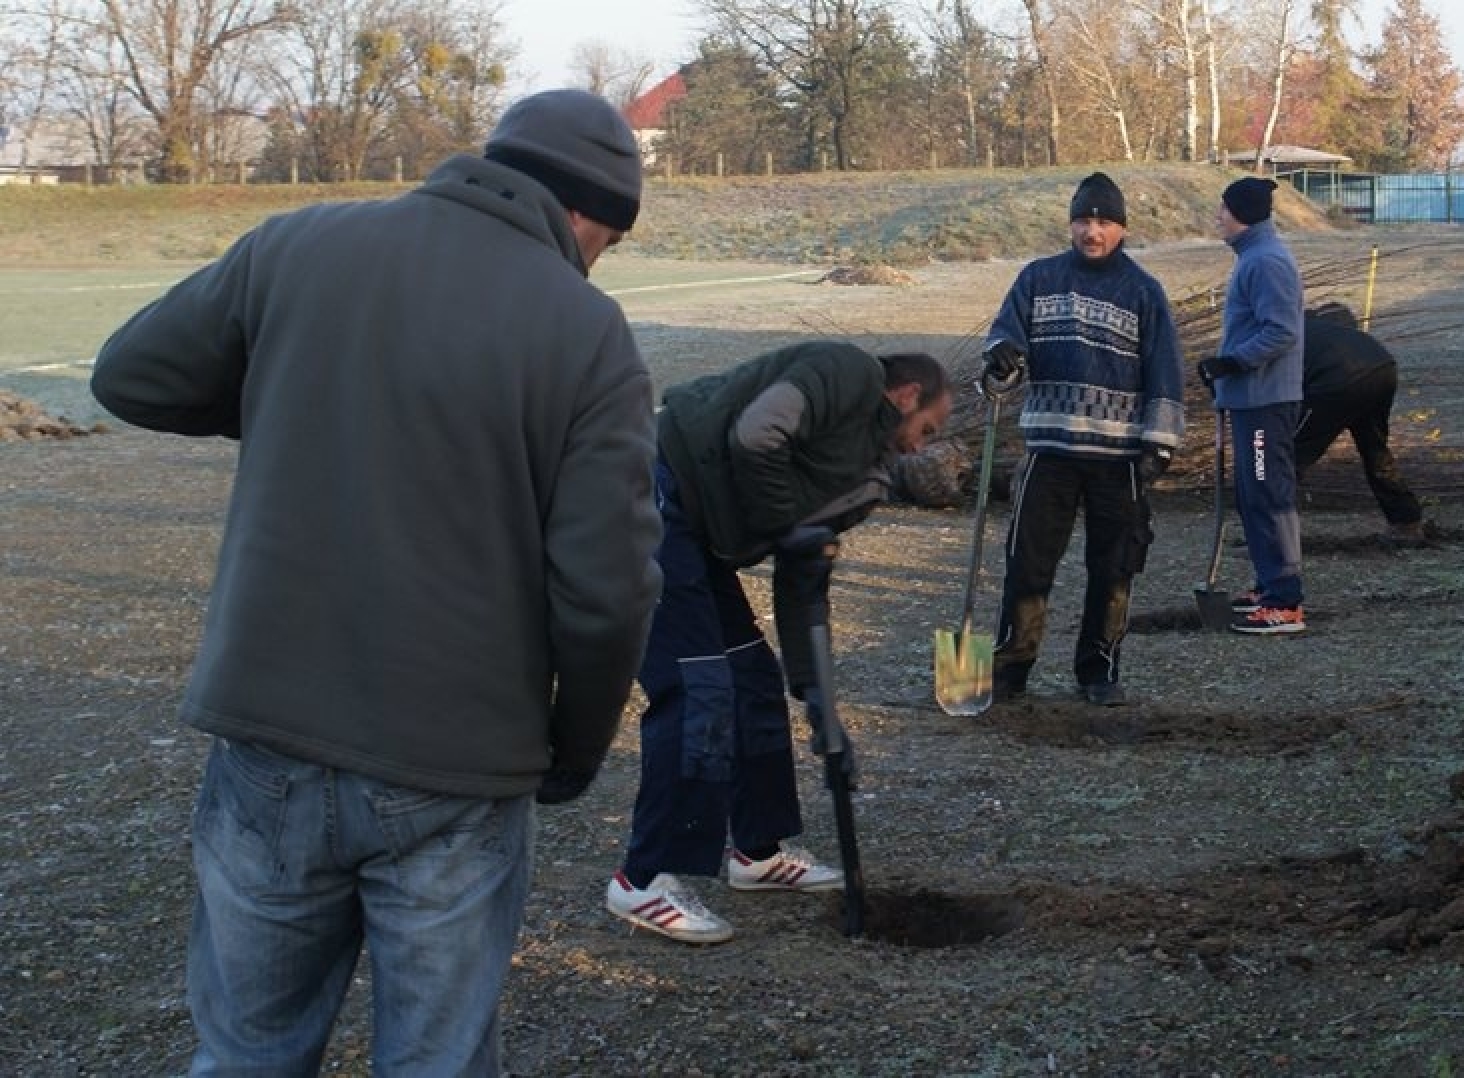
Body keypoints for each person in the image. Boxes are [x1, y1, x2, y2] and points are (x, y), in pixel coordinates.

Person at [89, 89, 663, 1073]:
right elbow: (608, 588)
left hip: (267, 736)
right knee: (436, 1060)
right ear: (585, 213)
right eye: (605, 243)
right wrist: (573, 749)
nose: (593, 264)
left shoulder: (296, 243)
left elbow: (131, 375)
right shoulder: (585, 329)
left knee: (245, 1053)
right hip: (457, 767)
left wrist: (304, 397)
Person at [607, 342, 952, 944]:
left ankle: (758, 852)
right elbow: (757, 434)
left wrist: (817, 699)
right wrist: (784, 525)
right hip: (653, 490)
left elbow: (802, 580)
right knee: (697, 689)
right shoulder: (846, 373)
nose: (921, 447)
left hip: (701, 536)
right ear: (906, 395)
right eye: (928, 428)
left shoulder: (865, 481)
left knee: (754, 681)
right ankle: (641, 881)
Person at [979, 171, 1186, 706]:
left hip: (1119, 458)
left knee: (1113, 567)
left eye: (1104, 222)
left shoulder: (1143, 291)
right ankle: (1010, 668)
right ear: (1070, 224)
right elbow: (1006, 338)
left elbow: (1165, 372)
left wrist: (1159, 444)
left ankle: (1099, 671)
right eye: (1083, 220)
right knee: (1027, 563)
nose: (1092, 232)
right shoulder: (1038, 278)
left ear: (1122, 228)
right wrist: (1000, 357)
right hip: (1049, 451)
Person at [1201, 175, 1307, 635]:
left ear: (1241, 214)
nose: (1218, 217)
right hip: (1249, 399)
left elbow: (1282, 330)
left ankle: (1285, 602)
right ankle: (1269, 585)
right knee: (1252, 496)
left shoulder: (1266, 261)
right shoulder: (1253, 257)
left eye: (1224, 209)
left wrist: (1234, 362)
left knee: (1268, 495)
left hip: (1266, 399)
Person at [1297, 301, 1426, 541]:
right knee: (1375, 449)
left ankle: (1274, 535)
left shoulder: (1288, 332)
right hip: (1382, 366)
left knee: (1288, 457)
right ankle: (1406, 522)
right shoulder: (1328, 330)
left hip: (1337, 378)